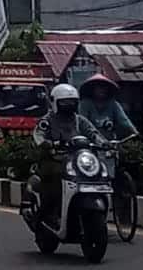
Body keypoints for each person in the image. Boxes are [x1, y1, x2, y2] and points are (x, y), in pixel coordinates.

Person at [32, 84, 103, 226]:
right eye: (65, 103)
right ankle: (49, 213)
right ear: (55, 102)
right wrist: (47, 143)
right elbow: (38, 136)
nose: (69, 106)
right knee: (55, 177)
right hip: (54, 159)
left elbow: (93, 133)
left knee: (98, 174)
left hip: (77, 160)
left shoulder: (79, 120)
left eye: (72, 102)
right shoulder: (47, 120)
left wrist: (104, 143)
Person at [78, 74, 138, 141]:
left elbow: (124, 121)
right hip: (91, 141)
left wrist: (135, 134)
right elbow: (82, 123)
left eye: (104, 87)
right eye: (99, 87)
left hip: (110, 141)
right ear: (92, 89)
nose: (102, 90)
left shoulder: (113, 104)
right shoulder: (85, 104)